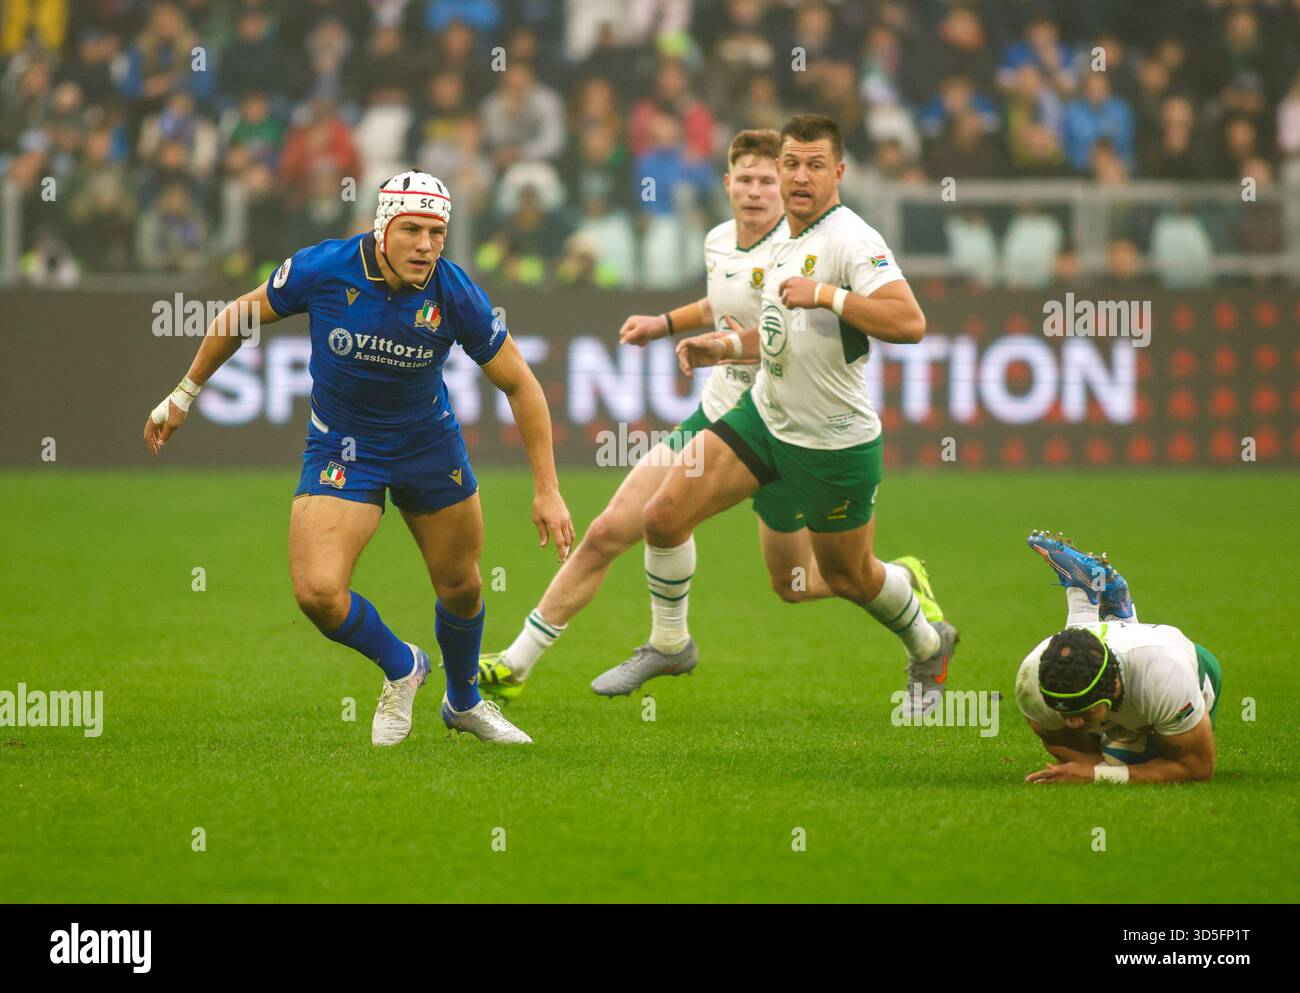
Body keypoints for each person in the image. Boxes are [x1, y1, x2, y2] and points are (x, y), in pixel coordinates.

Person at [144, 171, 574, 746]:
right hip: (343, 447)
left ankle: (464, 703)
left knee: (463, 588)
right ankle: (403, 666)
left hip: (428, 447)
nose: (426, 245)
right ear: (382, 228)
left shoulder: (455, 292)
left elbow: (521, 385)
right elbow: (238, 316)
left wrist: (546, 489)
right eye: (413, 229)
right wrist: (183, 394)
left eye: (437, 232)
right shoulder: (324, 268)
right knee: (318, 593)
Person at [479, 129, 840, 700]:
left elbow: (785, 338)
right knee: (612, 529)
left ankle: (899, 588)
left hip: (782, 427)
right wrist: (664, 323)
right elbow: (722, 301)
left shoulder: (802, 254)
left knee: (802, 583)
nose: (754, 191)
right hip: (720, 414)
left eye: (766, 180)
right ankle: (518, 663)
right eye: (744, 179)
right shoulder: (720, 239)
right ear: (727, 184)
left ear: (786, 186)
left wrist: (718, 347)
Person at [654, 114, 958, 716]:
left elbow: (910, 323)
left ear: (839, 173)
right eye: (790, 163)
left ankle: (928, 644)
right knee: (663, 517)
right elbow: (780, 334)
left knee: (847, 578)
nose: (799, 176)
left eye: (815, 165)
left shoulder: (851, 239)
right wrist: (725, 345)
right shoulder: (785, 242)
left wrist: (827, 294)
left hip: (832, 443)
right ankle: (669, 643)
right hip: (763, 419)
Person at [1016, 532, 1221, 784]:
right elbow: (1060, 739)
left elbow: (1196, 767)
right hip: (1110, 649)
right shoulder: (1031, 683)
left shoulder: (1167, 678)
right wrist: (1093, 768)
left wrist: (1097, 775)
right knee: (1113, 755)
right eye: (1063, 713)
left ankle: (1101, 605)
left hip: (1184, 659)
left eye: (1083, 711)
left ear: (1113, 688)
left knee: (1134, 758)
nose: (1072, 724)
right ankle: (1099, 604)